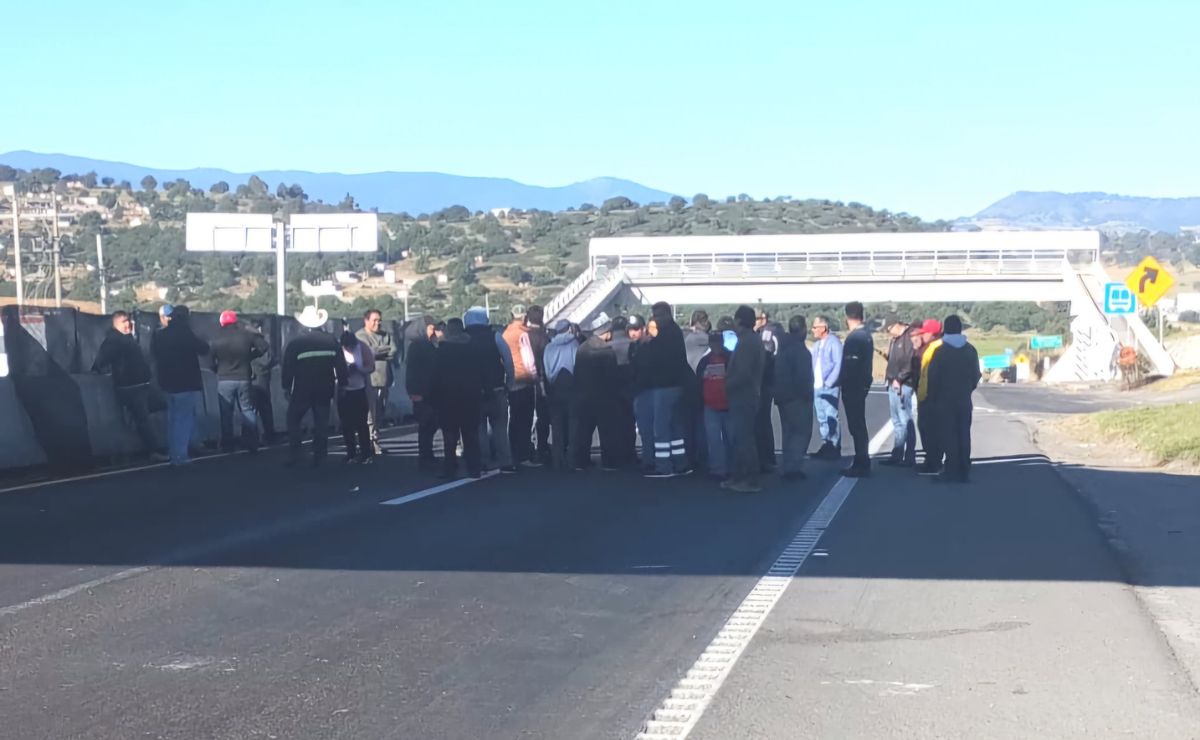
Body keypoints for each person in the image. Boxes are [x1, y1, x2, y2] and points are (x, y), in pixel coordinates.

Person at [93, 310, 165, 461]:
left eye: (129, 321)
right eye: (124, 322)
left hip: (140, 384)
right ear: (116, 324)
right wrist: (97, 370)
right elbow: (101, 360)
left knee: (148, 415)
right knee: (143, 419)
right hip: (130, 387)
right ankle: (154, 450)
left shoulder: (126, 339)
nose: (128, 324)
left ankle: (154, 447)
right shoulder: (114, 340)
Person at [282, 305, 347, 468]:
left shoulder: (296, 343)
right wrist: (343, 385)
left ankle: (296, 453)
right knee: (321, 422)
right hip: (325, 388)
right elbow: (341, 366)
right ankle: (320, 454)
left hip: (302, 388)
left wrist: (286, 387)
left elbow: (288, 367)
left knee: (293, 419)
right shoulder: (331, 341)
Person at [150, 304, 209, 466]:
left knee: (173, 419)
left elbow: (154, 355)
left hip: (166, 382)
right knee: (184, 419)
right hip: (185, 382)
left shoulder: (160, 335)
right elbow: (203, 348)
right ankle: (180, 455)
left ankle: (173, 452)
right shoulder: (184, 332)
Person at [926, 315, 980, 483]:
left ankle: (951, 469)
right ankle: (964, 469)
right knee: (964, 433)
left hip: (944, 400)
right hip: (964, 399)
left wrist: (933, 398)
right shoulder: (970, 350)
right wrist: (966, 389)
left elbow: (932, 377)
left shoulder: (941, 351)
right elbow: (976, 375)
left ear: (945, 330)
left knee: (948, 435)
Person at [464, 306, 516, 474]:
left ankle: (483, 461)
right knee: (500, 427)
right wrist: (510, 381)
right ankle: (505, 461)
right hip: (497, 388)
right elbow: (508, 360)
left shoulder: (465, 339)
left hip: (473, 392)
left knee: (478, 428)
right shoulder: (495, 336)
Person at [432, 318, 485, 478]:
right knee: (471, 434)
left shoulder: (442, 351)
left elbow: (436, 377)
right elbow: (482, 373)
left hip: (448, 398)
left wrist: (433, 397)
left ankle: (450, 467)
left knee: (450, 435)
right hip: (471, 397)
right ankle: (474, 468)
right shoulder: (474, 349)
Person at [641, 302, 690, 478]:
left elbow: (655, 358)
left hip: (664, 386)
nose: (656, 319)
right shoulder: (676, 332)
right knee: (676, 428)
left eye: (659, 315)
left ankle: (663, 466)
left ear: (667, 314)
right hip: (677, 385)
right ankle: (681, 463)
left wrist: (647, 343)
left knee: (660, 428)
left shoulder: (664, 336)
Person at [210, 310, 269, 454]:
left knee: (226, 413)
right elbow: (263, 346)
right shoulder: (246, 335)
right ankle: (252, 443)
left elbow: (210, 361)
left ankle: (228, 445)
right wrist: (249, 356)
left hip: (224, 379)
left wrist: (218, 369)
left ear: (222, 322)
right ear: (236, 321)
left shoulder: (216, 338)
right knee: (247, 409)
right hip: (244, 377)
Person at [723, 305, 765, 492]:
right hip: (744, 394)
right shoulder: (748, 340)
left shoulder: (748, 342)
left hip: (744, 395)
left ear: (739, 321)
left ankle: (750, 479)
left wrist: (727, 384)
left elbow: (745, 372)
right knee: (740, 438)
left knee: (744, 439)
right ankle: (739, 476)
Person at [574, 313, 621, 470]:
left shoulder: (582, 349)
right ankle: (609, 461)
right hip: (604, 397)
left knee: (584, 430)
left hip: (584, 395)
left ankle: (581, 461)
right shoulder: (607, 351)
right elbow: (613, 376)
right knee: (607, 430)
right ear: (606, 332)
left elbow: (577, 373)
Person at [774, 315, 815, 480]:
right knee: (800, 432)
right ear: (803, 329)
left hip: (783, 396)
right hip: (797, 397)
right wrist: (806, 394)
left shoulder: (783, 348)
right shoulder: (800, 350)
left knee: (788, 432)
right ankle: (793, 467)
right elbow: (803, 377)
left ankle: (787, 465)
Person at [502, 304, 542, 467]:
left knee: (514, 420)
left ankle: (514, 453)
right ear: (524, 317)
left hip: (511, 380)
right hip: (524, 380)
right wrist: (535, 377)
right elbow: (529, 359)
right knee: (525, 420)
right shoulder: (522, 334)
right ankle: (525, 455)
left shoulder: (505, 333)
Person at [838, 301, 874, 477]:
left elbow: (850, 365)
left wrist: (842, 381)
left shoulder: (855, 338)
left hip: (853, 386)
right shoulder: (866, 335)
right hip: (861, 385)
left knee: (856, 426)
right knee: (859, 425)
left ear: (847, 317)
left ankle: (861, 462)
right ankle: (862, 460)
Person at [880, 313, 918, 467]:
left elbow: (910, 361)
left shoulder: (909, 338)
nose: (889, 333)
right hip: (892, 382)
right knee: (896, 420)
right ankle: (897, 453)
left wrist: (900, 378)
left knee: (905, 419)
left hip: (904, 384)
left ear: (896, 324)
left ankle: (909, 456)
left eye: (889, 329)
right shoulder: (895, 339)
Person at [356, 309, 395, 456]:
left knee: (379, 412)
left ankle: (376, 440)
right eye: (374, 320)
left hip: (384, 379)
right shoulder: (360, 336)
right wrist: (381, 351)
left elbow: (393, 350)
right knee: (369, 414)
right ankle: (369, 442)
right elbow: (368, 352)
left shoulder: (385, 335)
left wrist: (380, 351)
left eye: (379, 320)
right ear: (366, 321)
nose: (377, 323)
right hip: (369, 380)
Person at [695, 331, 731, 480]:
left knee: (731, 439)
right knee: (713, 440)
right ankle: (717, 469)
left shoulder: (731, 358)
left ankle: (732, 468)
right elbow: (698, 382)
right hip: (710, 405)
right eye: (713, 342)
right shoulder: (705, 361)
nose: (716, 345)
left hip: (729, 405)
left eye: (718, 342)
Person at [543, 319, 579, 470]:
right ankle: (573, 458)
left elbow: (546, 369)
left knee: (557, 424)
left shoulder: (549, 347)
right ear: (569, 329)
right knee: (573, 423)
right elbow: (579, 365)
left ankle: (558, 459)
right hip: (571, 385)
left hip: (555, 386)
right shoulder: (574, 344)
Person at [404, 315, 439, 469]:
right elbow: (412, 372)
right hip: (421, 392)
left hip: (431, 391)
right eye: (431, 328)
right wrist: (414, 392)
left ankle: (428, 454)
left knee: (431, 425)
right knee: (425, 426)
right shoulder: (417, 346)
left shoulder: (427, 344)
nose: (433, 331)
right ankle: (425, 456)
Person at [337, 330, 375, 464]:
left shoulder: (362, 347)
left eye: (351, 347)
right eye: (346, 347)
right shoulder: (338, 350)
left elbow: (371, 366)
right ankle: (351, 452)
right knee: (346, 424)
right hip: (343, 390)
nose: (349, 349)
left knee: (361, 424)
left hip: (359, 389)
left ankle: (366, 453)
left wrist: (359, 369)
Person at [809, 315, 843, 460]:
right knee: (822, 417)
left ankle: (834, 445)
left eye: (815, 327)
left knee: (831, 416)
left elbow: (838, 363)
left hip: (829, 386)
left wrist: (830, 382)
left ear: (824, 328)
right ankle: (826, 444)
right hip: (816, 386)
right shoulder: (816, 345)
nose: (813, 330)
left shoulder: (834, 343)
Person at [914, 319, 945, 476]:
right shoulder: (929, 347)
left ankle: (934, 462)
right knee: (925, 429)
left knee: (931, 430)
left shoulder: (937, 348)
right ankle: (931, 460)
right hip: (924, 394)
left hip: (931, 396)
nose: (922, 335)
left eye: (924, 333)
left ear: (932, 333)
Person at [607, 315, 638, 466]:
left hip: (612, 388)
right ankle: (630, 453)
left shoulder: (607, 346)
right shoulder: (632, 345)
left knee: (614, 422)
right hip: (629, 387)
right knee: (629, 422)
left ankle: (615, 454)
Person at [525, 305, 552, 465]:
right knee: (543, 416)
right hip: (542, 379)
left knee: (525, 416)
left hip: (525, 379)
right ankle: (542, 446)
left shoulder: (524, 335)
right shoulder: (545, 336)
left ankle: (527, 447)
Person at [629, 315, 656, 472]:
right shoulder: (633, 347)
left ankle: (651, 459)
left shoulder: (649, 346)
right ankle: (649, 457)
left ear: (643, 329)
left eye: (636, 329)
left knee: (649, 428)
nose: (633, 333)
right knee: (645, 428)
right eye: (631, 330)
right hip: (639, 390)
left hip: (647, 390)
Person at [756, 319, 784, 472]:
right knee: (765, 420)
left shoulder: (767, 333)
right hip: (775, 379)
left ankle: (765, 457)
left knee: (762, 421)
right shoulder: (780, 332)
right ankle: (769, 456)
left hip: (765, 380)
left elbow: (767, 352)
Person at [247, 319, 277, 444]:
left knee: (251, 408)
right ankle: (268, 435)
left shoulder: (247, 338)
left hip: (252, 375)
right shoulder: (258, 340)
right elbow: (270, 358)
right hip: (260, 376)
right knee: (264, 407)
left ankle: (251, 437)